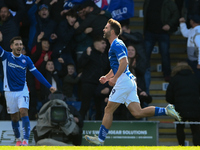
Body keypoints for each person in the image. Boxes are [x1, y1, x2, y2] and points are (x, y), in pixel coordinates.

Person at [85, 18, 181, 146]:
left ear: (112, 31)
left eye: (106, 28)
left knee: (108, 110)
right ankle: (166, 110)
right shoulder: (114, 45)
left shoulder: (116, 44)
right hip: (128, 81)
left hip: (123, 81)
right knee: (137, 112)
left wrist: (114, 78)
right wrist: (107, 77)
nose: (104, 29)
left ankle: (100, 139)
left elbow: (124, 63)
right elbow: (117, 67)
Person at [0, 36, 56, 146]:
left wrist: (49, 86)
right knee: (14, 117)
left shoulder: (26, 59)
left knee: (23, 112)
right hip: (9, 92)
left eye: (20, 44)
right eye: (16, 44)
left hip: (22, 91)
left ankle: (25, 140)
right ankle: (18, 139)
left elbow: (37, 74)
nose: (19, 46)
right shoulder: (5, 56)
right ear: (11, 46)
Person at [143, 0, 179, 93]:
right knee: (145, 55)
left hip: (163, 33)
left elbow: (176, 12)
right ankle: (143, 72)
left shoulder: (168, 1)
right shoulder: (148, 1)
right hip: (149, 31)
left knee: (165, 54)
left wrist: (170, 24)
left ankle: (167, 74)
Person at [166, 62, 200, 146]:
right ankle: (197, 147)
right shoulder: (195, 78)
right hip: (195, 108)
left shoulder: (174, 79)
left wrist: (175, 102)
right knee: (196, 130)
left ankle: (181, 146)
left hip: (179, 109)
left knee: (180, 128)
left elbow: (168, 97)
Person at [179, 15, 200, 79]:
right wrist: (182, 23)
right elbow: (185, 33)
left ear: (193, 22)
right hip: (192, 59)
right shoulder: (192, 30)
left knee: (197, 78)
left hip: (196, 61)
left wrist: (199, 63)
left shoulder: (198, 32)